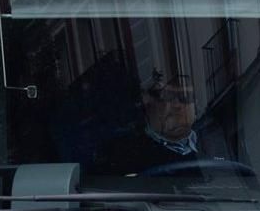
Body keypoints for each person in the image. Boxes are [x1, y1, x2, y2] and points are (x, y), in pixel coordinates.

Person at [93, 73, 226, 178]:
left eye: (185, 97)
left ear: (195, 105)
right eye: (165, 97)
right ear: (146, 104)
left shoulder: (214, 141)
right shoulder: (125, 151)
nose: (177, 105)